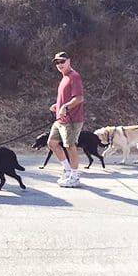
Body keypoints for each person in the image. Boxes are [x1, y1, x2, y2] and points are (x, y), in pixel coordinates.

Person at [47, 52, 84, 187]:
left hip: (72, 119)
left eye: (62, 61)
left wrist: (65, 107)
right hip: (60, 119)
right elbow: (67, 98)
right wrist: (57, 106)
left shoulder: (74, 77)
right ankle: (67, 170)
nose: (59, 65)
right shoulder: (64, 78)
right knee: (52, 143)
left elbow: (79, 98)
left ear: (69, 61)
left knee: (70, 146)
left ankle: (75, 177)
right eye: (57, 62)